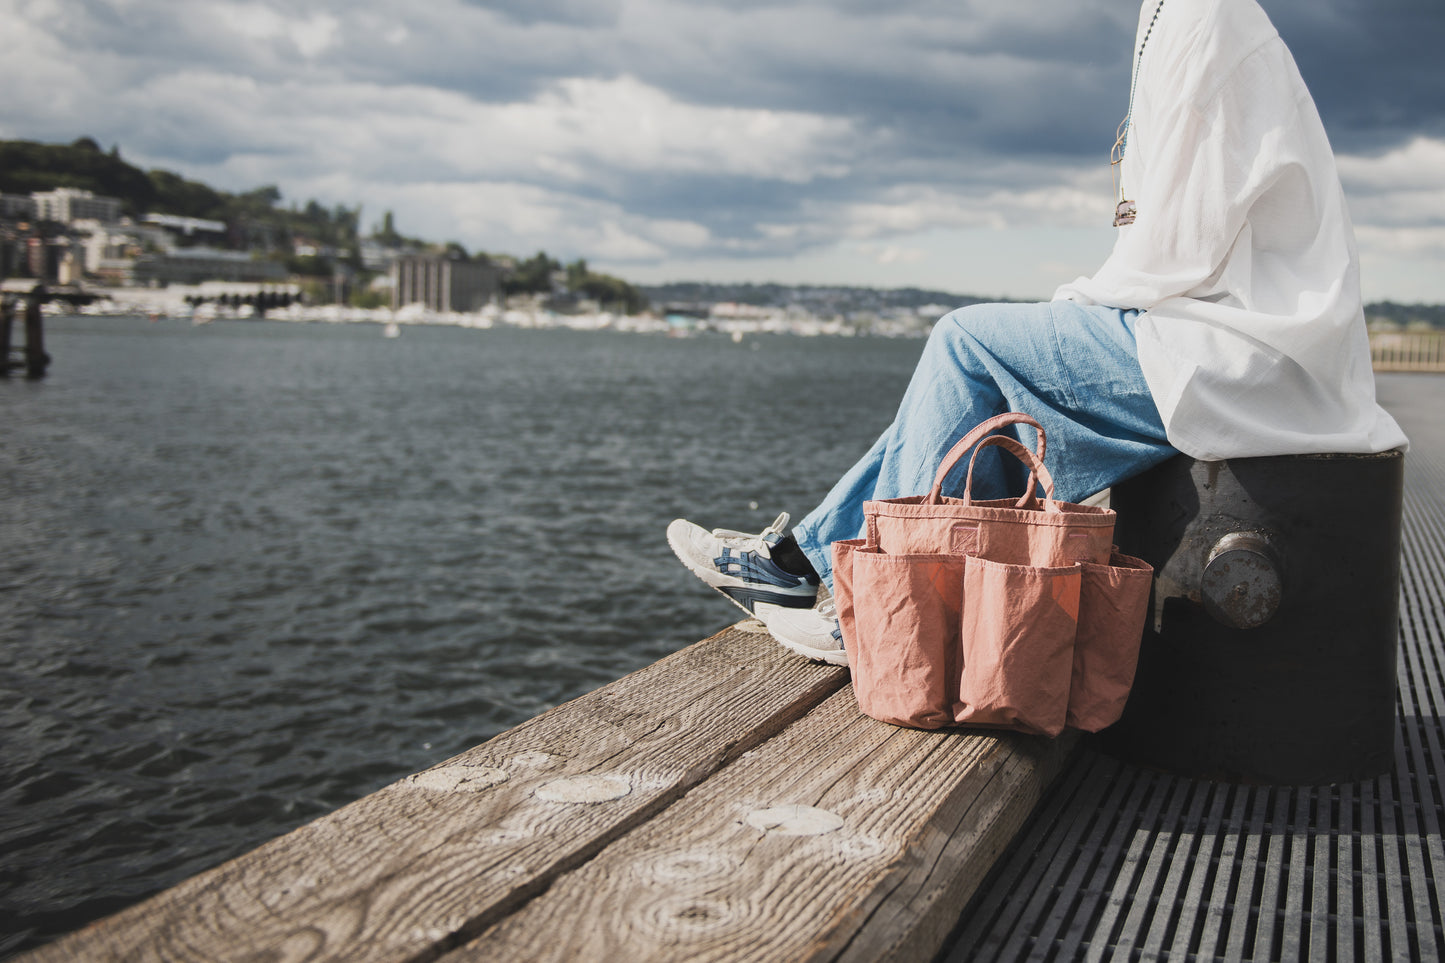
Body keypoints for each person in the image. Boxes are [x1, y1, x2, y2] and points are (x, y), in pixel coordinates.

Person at [668, 0, 1408, 665]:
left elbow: (1180, 244)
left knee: (969, 342)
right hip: (1239, 333)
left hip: (1244, 348)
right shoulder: (1188, 15)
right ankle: (811, 566)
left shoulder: (1201, 18)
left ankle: (886, 609)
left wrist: (1069, 306)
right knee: (977, 368)